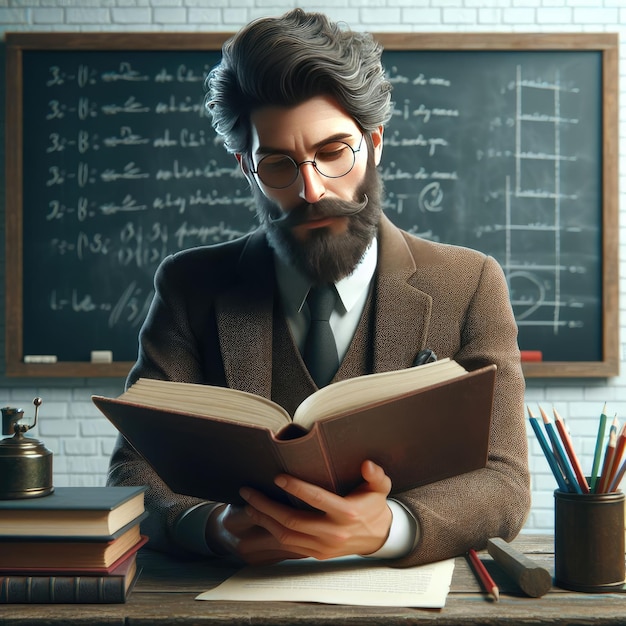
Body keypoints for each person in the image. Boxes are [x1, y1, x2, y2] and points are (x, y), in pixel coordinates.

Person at [107, 8, 530, 567]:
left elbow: (505, 482)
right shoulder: (190, 287)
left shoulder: (470, 282)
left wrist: (391, 528)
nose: (311, 190)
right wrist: (211, 527)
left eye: (333, 152)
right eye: (278, 164)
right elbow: (131, 473)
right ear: (245, 167)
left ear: (374, 142)